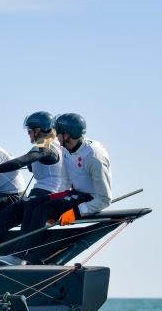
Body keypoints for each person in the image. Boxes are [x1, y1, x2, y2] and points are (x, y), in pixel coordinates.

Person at [15, 112, 112, 262]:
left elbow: (105, 199)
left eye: (57, 133)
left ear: (66, 135)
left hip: (90, 199)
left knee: (42, 210)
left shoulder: (93, 157)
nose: (54, 136)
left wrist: (75, 213)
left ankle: (24, 256)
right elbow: (66, 183)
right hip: (74, 193)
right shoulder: (65, 149)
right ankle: (18, 250)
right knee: (33, 203)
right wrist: (56, 204)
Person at [0, 111, 67, 251]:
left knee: (25, 217)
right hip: (39, 192)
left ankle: (21, 255)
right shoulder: (52, 145)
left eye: (30, 131)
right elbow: (35, 165)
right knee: (3, 216)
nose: (28, 134)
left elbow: (21, 162)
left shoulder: (47, 146)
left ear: (40, 130)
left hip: (48, 195)